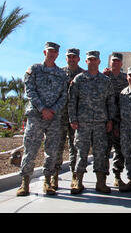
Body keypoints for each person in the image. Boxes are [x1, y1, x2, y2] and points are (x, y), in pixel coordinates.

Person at [17, 42, 67, 196]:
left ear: (58, 54)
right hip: (36, 115)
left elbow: (64, 95)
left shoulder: (61, 74)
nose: (52, 54)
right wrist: (42, 109)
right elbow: (29, 90)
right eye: (50, 51)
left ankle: (47, 181)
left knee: (51, 151)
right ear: (45, 52)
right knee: (30, 149)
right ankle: (25, 183)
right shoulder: (34, 69)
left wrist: (52, 110)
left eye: (55, 52)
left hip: (54, 117)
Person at [68, 50, 116, 195]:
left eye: (95, 59)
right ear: (86, 61)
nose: (93, 61)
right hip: (82, 123)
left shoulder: (105, 81)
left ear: (99, 62)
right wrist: (73, 119)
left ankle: (100, 183)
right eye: (90, 59)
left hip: (100, 123)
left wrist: (110, 119)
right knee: (81, 152)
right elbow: (72, 101)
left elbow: (111, 102)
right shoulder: (79, 79)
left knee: (100, 153)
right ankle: (78, 181)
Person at [53, 48, 85, 191]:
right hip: (60, 115)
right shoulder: (59, 73)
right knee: (57, 147)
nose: (71, 59)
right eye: (69, 57)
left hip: (76, 117)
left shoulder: (84, 74)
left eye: (74, 57)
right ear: (66, 58)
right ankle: (54, 177)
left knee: (75, 147)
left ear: (78, 59)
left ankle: (75, 177)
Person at [103, 52, 128, 188]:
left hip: (120, 120)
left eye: (118, 61)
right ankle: (101, 179)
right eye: (113, 61)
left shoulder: (125, 78)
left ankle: (117, 176)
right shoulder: (104, 77)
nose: (115, 63)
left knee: (119, 149)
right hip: (106, 119)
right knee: (104, 149)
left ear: (121, 63)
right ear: (110, 62)